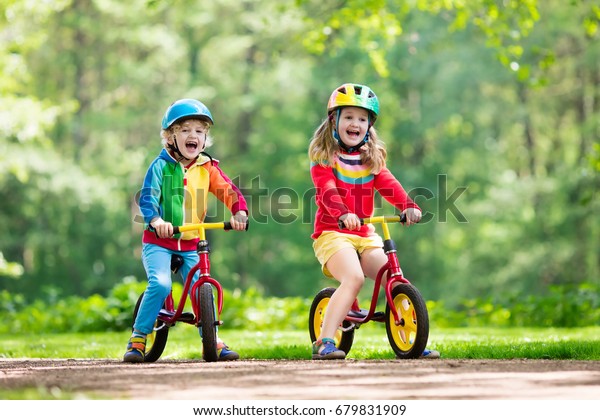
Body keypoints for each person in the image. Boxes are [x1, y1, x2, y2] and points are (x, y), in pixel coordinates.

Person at [308, 83, 439, 360]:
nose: (355, 123)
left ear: (369, 125)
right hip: (333, 233)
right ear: (334, 120)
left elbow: (390, 185)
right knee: (353, 278)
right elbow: (327, 191)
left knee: (394, 276)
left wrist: (408, 206)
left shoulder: (371, 160)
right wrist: (343, 213)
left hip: (365, 234)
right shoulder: (324, 160)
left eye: (362, 119)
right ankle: (324, 341)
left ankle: (413, 340)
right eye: (349, 117)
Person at [124, 98, 249, 363]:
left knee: (202, 287)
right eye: (185, 130)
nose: (193, 135)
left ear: (205, 138)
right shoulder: (160, 166)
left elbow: (229, 191)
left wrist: (239, 211)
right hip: (159, 241)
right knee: (160, 284)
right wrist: (156, 221)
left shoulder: (208, 168)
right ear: (170, 137)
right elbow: (148, 197)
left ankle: (213, 341)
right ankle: (138, 337)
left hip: (192, 241)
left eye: (200, 131)